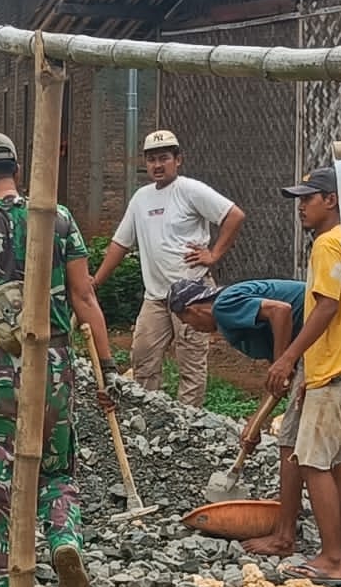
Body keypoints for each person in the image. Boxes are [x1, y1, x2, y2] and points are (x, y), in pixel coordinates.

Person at [0, 131, 121, 587]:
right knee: (56, 469)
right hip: (54, 363)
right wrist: (107, 364)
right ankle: (63, 540)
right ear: (15, 171)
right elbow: (84, 296)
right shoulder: (59, 219)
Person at [258, 166, 341, 581]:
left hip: (338, 373)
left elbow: (327, 306)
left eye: (308, 199)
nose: (301, 207)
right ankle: (338, 552)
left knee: (312, 462)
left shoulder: (328, 244)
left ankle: (332, 559)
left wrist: (288, 357)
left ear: (332, 200)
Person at [91, 129, 247, 408]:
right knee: (143, 357)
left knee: (191, 364)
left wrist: (213, 254)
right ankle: (146, 414)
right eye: (151, 160)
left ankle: (188, 420)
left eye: (164, 158)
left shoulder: (190, 190)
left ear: (178, 160)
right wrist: (95, 283)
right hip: (156, 296)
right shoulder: (141, 198)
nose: (157, 165)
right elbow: (120, 243)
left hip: (193, 293)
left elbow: (234, 215)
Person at [167, 277, 311, 557]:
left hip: (323, 337)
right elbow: (277, 382)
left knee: (290, 441)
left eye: (186, 321)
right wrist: (256, 422)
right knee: (298, 433)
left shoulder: (224, 306)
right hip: (315, 343)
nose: (191, 328)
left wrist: (283, 362)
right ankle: (293, 505)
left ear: (193, 309)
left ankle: (284, 536)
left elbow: (281, 310)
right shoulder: (232, 311)